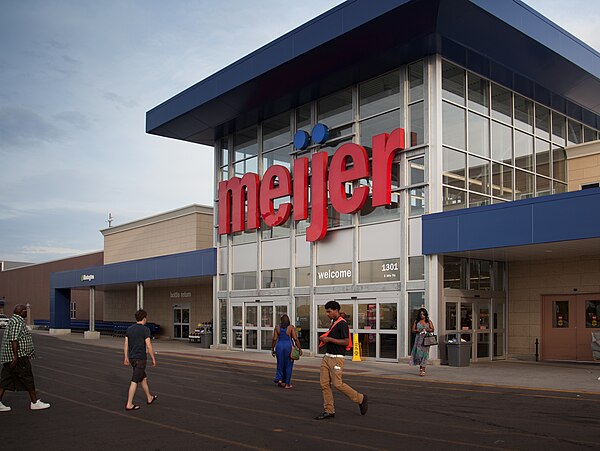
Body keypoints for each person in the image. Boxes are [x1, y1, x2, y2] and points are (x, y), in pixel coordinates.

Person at [315, 300, 368, 420]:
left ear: (336, 311)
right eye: (327, 312)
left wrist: (329, 339)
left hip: (337, 359)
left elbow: (346, 342)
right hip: (327, 357)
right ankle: (329, 410)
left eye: (329, 311)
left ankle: (360, 398)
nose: (327, 314)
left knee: (337, 384)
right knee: (324, 385)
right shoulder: (333, 322)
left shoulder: (342, 324)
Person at [0, 304, 50, 412]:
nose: (27, 312)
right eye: (25, 311)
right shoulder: (18, 322)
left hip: (9, 357)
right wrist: (15, 357)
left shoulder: (12, 320)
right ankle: (35, 402)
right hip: (19, 356)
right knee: (27, 377)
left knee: (5, 379)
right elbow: (14, 339)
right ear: (21, 312)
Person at [124, 309, 157, 411]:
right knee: (134, 381)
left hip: (132, 358)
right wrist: (153, 358)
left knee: (143, 378)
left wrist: (126, 357)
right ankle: (129, 404)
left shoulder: (129, 329)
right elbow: (148, 345)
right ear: (144, 318)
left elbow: (126, 344)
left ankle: (149, 397)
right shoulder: (145, 329)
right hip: (141, 359)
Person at [271, 314, 302, 389]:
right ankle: (287, 383)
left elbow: (275, 339)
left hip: (279, 346)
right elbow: (295, 338)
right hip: (288, 347)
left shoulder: (277, 327)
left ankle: (280, 379)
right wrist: (299, 348)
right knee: (288, 365)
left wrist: (272, 348)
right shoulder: (291, 327)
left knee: (280, 364)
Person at [409, 307, 435, 377]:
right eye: (421, 314)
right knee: (418, 354)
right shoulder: (416, 321)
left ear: (426, 315)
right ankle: (421, 366)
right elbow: (413, 330)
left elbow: (433, 329)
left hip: (426, 340)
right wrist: (418, 330)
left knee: (425, 355)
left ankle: (422, 369)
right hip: (418, 339)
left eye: (423, 314)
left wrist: (427, 329)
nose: (422, 316)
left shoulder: (428, 321)